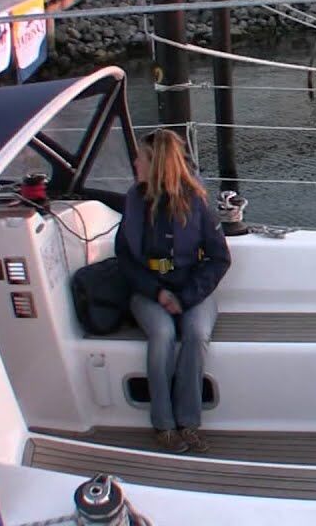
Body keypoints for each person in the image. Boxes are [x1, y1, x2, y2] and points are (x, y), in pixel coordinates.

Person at [117, 129, 232, 453]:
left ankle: (188, 422)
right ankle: (164, 425)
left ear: (156, 164)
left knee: (196, 334)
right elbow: (124, 258)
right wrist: (158, 293)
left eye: (140, 158)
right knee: (163, 334)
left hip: (193, 290)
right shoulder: (134, 200)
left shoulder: (196, 202)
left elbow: (219, 258)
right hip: (148, 291)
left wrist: (186, 297)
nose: (135, 163)